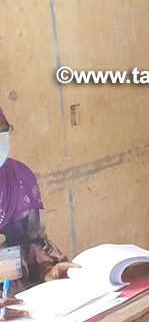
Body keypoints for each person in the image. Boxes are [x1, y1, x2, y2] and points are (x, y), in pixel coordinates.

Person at [0, 106, 78, 319]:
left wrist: (47, 272)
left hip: (30, 308)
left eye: (3, 131)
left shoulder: (20, 179)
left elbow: (35, 243)